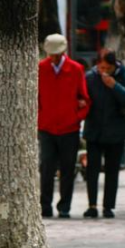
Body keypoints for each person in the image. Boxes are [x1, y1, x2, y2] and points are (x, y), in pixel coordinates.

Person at [37, 33, 89, 218]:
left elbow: (84, 98)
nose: (54, 57)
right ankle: (45, 206)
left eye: (57, 54)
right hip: (46, 127)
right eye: (51, 54)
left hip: (69, 128)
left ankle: (64, 206)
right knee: (46, 168)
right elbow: (35, 98)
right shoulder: (40, 68)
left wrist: (76, 117)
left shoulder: (76, 69)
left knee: (68, 169)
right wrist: (40, 118)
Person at [82, 50, 125, 218]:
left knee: (112, 171)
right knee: (92, 170)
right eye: (101, 66)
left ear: (114, 66)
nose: (103, 70)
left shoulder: (124, 75)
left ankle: (108, 206)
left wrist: (114, 86)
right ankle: (92, 205)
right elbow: (81, 96)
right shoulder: (90, 77)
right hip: (94, 132)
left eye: (107, 67)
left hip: (115, 131)